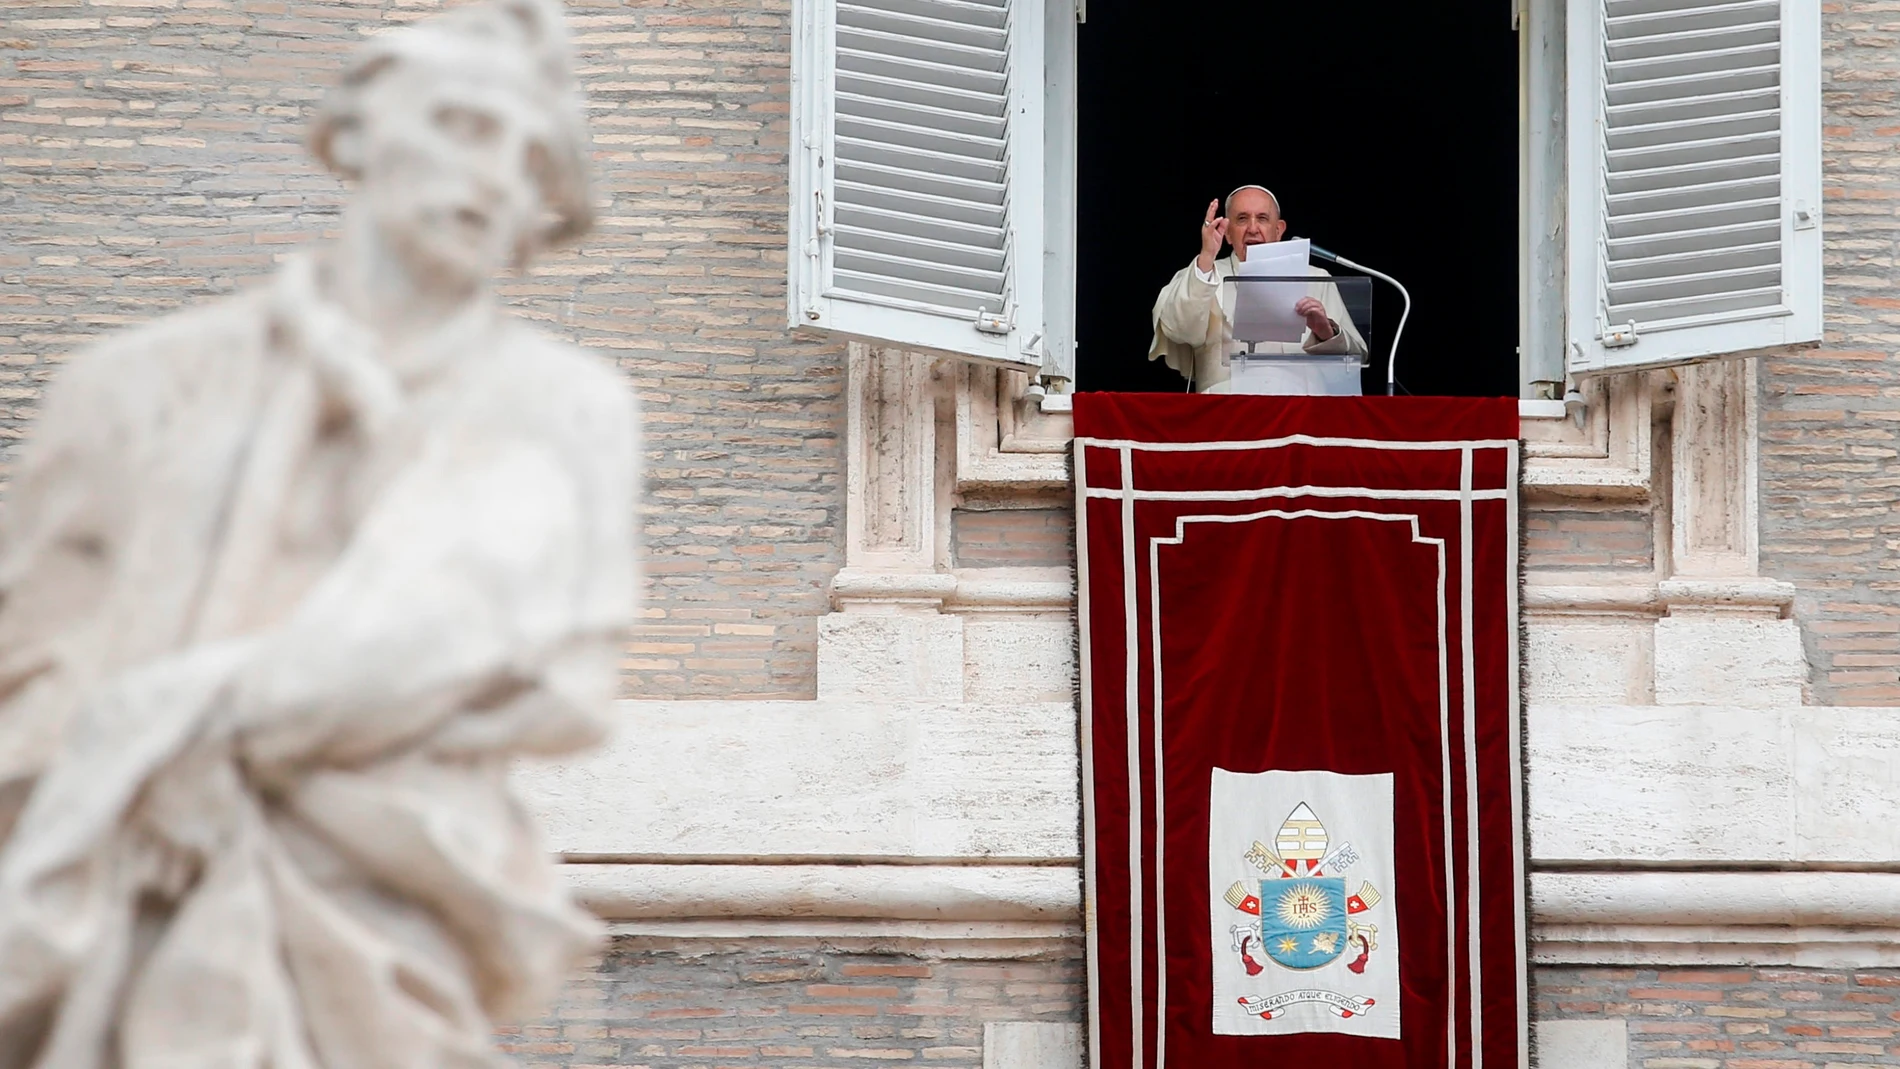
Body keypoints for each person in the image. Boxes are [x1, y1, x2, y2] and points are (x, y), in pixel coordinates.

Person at [0, 0, 637, 1065]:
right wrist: (135, 777)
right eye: (465, 127)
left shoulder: (562, 406)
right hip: (133, 896)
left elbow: (564, 679)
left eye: (535, 162)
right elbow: (28, 658)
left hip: (394, 902)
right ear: (354, 134)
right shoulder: (132, 384)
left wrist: (198, 736)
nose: (497, 179)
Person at [1149, 185, 1369, 394]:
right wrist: (1207, 256)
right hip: (1224, 413)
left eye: (1262, 218)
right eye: (1242, 219)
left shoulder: (1316, 279)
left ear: (1278, 229)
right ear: (1226, 232)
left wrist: (1326, 332)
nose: (1252, 228)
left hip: (1300, 416)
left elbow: (1354, 360)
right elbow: (1177, 330)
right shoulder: (1203, 273)